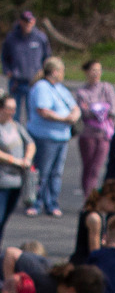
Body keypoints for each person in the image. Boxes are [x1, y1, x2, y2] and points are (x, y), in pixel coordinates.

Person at [25, 57, 79, 218]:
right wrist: (65, 119)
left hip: (61, 137)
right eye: (62, 71)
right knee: (43, 171)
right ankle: (36, 202)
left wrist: (74, 115)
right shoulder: (42, 87)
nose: (63, 74)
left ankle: (52, 202)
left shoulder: (60, 88)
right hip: (46, 136)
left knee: (56, 172)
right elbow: (43, 110)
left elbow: (74, 106)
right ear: (55, 72)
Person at [74, 59, 115, 197]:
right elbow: (84, 112)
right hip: (88, 135)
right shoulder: (82, 92)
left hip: (104, 134)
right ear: (86, 72)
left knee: (96, 169)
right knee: (88, 167)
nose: (97, 73)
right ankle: (88, 197)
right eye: (93, 70)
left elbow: (113, 109)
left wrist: (96, 109)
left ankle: (92, 198)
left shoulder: (106, 88)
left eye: (99, 70)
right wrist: (101, 109)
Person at [1, 10, 50, 122]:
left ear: (34, 21)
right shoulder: (11, 38)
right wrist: (7, 70)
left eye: (30, 21)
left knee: (32, 113)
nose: (28, 24)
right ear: (20, 22)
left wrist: (44, 73)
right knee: (13, 113)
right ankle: (14, 137)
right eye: (25, 21)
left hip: (34, 81)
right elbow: (4, 57)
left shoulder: (40, 37)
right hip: (16, 81)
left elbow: (47, 57)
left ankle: (30, 137)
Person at [70, 178, 115, 265]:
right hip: (85, 264)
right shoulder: (95, 219)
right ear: (108, 197)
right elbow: (95, 252)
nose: (114, 211)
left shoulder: (88, 210)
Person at [0, 95, 34, 243]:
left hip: (17, 181)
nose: (12, 112)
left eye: (14, 109)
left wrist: (27, 158)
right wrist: (15, 161)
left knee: (5, 219)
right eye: (9, 108)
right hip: (2, 181)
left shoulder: (15, 126)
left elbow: (30, 143)